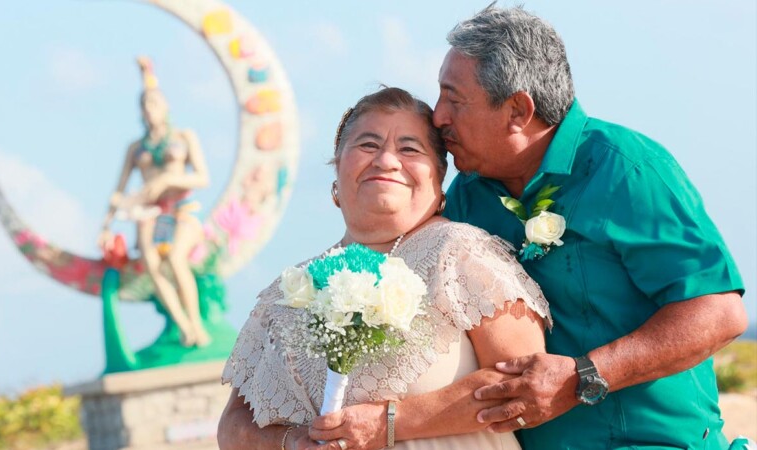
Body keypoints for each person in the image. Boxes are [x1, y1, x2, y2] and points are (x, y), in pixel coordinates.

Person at [308, 4, 747, 450]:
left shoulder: (627, 171)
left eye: (453, 99)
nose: (438, 117)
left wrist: (585, 374)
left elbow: (719, 313)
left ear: (518, 110)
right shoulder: (466, 195)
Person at [217, 87, 551, 450]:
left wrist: (387, 423)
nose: (386, 160)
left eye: (409, 148)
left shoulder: (460, 253)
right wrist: (293, 441)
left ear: (439, 181)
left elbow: (525, 386)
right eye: (368, 145)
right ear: (337, 169)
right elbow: (234, 424)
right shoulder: (289, 290)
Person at [98, 57, 212, 347]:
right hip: (149, 211)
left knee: (175, 258)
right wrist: (107, 225)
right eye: (145, 107)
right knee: (151, 264)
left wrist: (168, 182)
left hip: (181, 207)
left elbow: (201, 177)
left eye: (154, 105)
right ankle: (184, 326)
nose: (150, 112)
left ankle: (197, 324)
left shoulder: (184, 136)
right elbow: (119, 191)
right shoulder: (136, 148)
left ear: (166, 108)